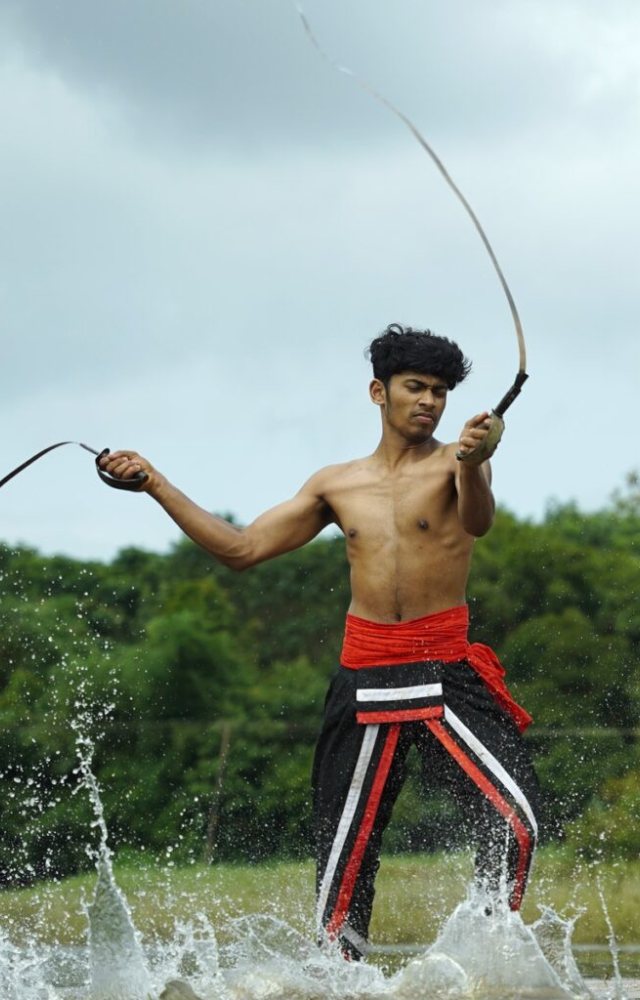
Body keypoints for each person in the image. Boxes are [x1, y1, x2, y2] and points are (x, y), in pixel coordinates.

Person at [101, 323, 539, 960]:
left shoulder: (457, 462)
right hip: (364, 677)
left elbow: (478, 519)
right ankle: (339, 977)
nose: (429, 401)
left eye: (440, 391)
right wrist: (155, 483)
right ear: (377, 393)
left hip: (445, 672)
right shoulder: (335, 483)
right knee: (343, 861)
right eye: (415, 387)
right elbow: (241, 549)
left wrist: (475, 461)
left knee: (516, 824)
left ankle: (488, 953)